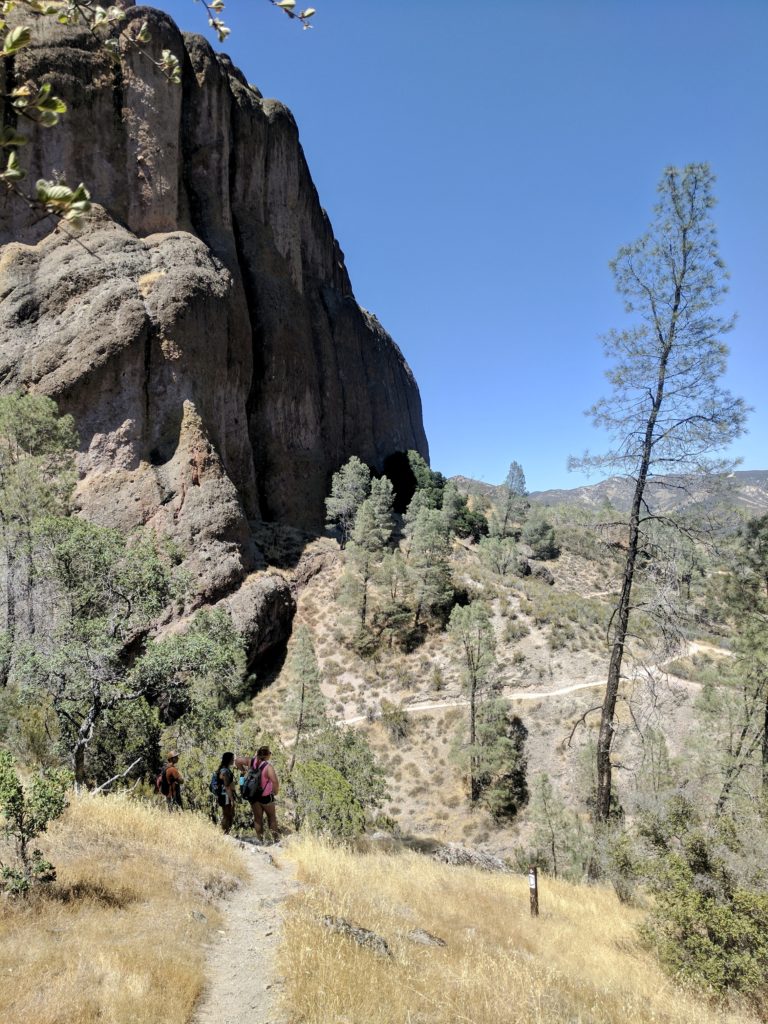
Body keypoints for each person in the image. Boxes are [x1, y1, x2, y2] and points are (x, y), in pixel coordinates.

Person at [236, 746, 280, 842]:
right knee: (271, 817)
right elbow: (275, 782)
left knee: (258, 818)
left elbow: (237, 760)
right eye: (270, 753)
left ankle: (261, 841)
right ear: (267, 755)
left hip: (253, 795)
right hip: (265, 797)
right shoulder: (268, 767)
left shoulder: (250, 761)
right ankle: (276, 841)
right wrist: (275, 791)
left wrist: (243, 772)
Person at [216, 751, 236, 835]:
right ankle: (225, 833)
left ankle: (227, 832)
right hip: (226, 796)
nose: (233, 760)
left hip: (225, 795)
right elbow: (227, 786)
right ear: (228, 759)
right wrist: (231, 799)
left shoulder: (225, 769)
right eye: (232, 758)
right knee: (227, 814)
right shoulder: (225, 771)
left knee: (229, 814)